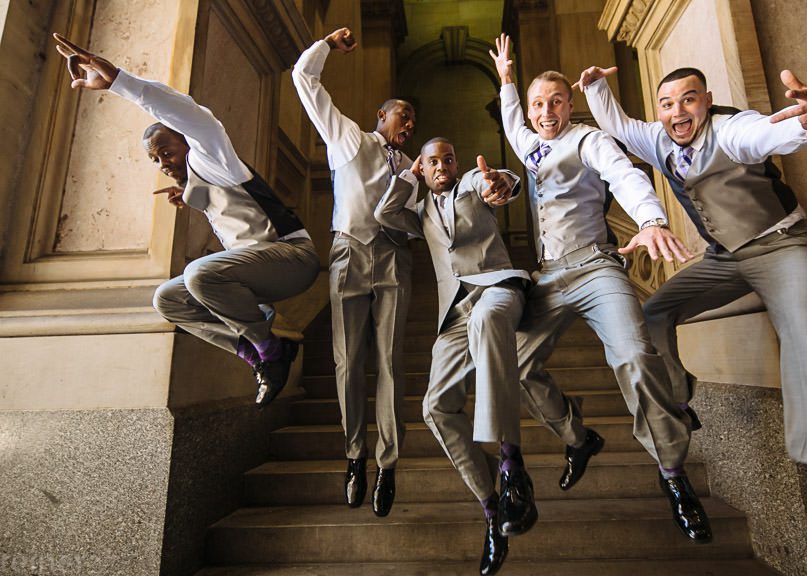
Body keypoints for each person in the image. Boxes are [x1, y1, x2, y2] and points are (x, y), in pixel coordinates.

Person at [575, 62, 807, 553]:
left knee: (804, 331)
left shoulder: (732, 130)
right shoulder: (659, 138)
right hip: (724, 260)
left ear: (706, 101)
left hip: (782, 247)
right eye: (667, 104)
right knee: (652, 313)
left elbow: (770, 132)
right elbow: (620, 126)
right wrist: (596, 88)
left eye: (688, 100)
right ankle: (680, 399)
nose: (677, 112)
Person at [489, 34, 711, 543]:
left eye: (556, 102)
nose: (547, 112)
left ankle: (674, 476)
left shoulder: (589, 140)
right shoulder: (529, 142)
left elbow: (624, 176)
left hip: (595, 268)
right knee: (514, 365)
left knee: (633, 356)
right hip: (547, 276)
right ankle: (578, 436)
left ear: (571, 103)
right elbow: (511, 123)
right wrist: (505, 79)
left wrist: (651, 219)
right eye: (538, 104)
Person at [52, 34, 319, 409]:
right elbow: (231, 209)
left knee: (198, 274)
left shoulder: (213, 156)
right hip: (259, 274)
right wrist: (191, 193)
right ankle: (255, 351)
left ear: (190, 146)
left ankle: (268, 347)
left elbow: (194, 117)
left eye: (167, 152)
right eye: (155, 160)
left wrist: (119, 82)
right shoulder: (201, 182)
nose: (163, 163)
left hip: (293, 258)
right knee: (169, 298)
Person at [375, 138, 535, 575]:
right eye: (433, 162)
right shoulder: (420, 212)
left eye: (448, 158)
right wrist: (409, 176)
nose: (442, 165)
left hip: (497, 290)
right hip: (453, 314)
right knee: (435, 408)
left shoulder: (469, 185)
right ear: (423, 170)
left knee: (487, 325)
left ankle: (510, 462)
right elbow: (384, 213)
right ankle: (492, 509)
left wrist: (499, 182)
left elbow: (501, 183)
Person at [292, 27, 416, 517]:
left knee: (388, 361)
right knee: (348, 362)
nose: (408, 125)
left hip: (393, 260)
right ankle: (355, 457)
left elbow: (428, 210)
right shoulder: (347, 137)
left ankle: (388, 463)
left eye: (413, 120)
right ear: (380, 116)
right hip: (348, 251)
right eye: (403, 115)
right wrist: (327, 45)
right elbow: (304, 78)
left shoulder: (411, 165)